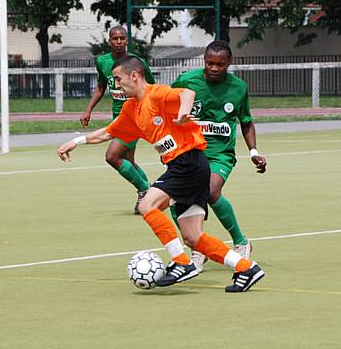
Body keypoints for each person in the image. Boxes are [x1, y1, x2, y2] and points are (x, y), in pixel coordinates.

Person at [59, 56, 265, 292]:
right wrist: (75, 141)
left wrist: (184, 113)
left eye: (118, 79)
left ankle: (180, 262)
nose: (115, 85)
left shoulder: (156, 94)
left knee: (148, 204)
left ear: (134, 76)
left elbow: (186, 94)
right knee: (192, 237)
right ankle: (246, 268)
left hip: (187, 162)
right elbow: (108, 132)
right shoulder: (131, 108)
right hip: (187, 166)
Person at [172, 40, 267, 272]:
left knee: (211, 191)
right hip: (189, 152)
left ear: (229, 63)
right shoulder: (187, 80)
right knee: (174, 200)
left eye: (220, 64)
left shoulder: (238, 88)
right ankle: (198, 247)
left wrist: (253, 152)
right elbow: (167, 106)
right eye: (210, 63)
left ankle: (241, 242)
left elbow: (246, 122)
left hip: (220, 155)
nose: (214, 68)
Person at [80, 26, 155, 214]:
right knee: (128, 160)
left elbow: (152, 87)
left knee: (113, 156)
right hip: (118, 117)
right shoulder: (103, 62)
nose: (119, 42)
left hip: (136, 117)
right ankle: (151, 194)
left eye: (122, 38)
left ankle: (145, 190)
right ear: (109, 41)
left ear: (127, 40)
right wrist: (88, 110)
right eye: (115, 38)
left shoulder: (137, 62)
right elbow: (101, 87)